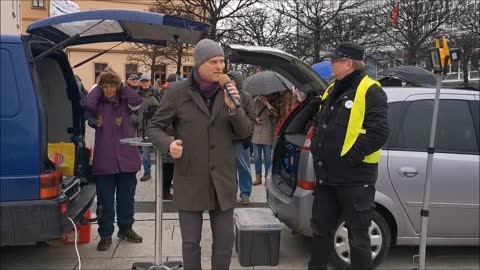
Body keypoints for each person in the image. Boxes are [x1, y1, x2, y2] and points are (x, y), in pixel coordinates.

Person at [147, 38, 251, 270]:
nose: (220, 66)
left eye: (222, 61)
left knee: (224, 242)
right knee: (191, 243)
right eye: (214, 61)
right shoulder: (177, 92)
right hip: (190, 178)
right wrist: (168, 144)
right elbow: (153, 127)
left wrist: (234, 109)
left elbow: (246, 133)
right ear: (199, 64)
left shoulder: (231, 91)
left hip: (222, 181)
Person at [308, 42, 389, 270]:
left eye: (334, 61)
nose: (331, 64)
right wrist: (316, 147)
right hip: (327, 177)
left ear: (348, 63)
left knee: (358, 237)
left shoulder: (370, 90)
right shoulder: (332, 89)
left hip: (355, 179)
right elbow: (320, 123)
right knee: (320, 232)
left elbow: (379, 132)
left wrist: (350, 158)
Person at [81, 69, 144, 251]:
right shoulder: (97, 105)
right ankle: (105, 234)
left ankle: (125, 229)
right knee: (105, 201)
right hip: (105, 161)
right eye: (105, 87)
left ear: (118, 87)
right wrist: (99, 87)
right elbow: (86, 104)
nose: (109, 90)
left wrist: (122, 86)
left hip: (127, 159)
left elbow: (138, 101)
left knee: (126, 199)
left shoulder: (125, 102)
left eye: (112, 86)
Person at [227, 71, 256, 205]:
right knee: (229, 169)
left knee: (244, 167)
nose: (228, 83)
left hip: (241, 139)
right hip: (227, 138)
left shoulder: (246, 97)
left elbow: (251, 117)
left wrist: (248, 135)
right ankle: (231, 193)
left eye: (231, 80)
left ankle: (245, 193)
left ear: (236, 82)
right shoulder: (224, 95)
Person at [134, 73, 159, 182]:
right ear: (140, 82)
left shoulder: (156, 94)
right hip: (140, 128)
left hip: (153, 128)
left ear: (150, 82)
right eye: (143, 81)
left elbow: (162, 110)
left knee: (148, 152)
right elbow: (130, 111)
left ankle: (152, 174)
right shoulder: (135, 95)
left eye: (147, 81)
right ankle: (146, 172)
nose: (145, 83)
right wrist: (137, 119)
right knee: (143, 152)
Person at [251, 94, 279, 186]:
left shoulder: (272, 101)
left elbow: (276, 115)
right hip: (256, 133)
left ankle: (267, 178)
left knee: (267, 158)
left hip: (267, 132)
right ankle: (258, 177)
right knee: (257, 158)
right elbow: (250, 113)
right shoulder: (254, 101)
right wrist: (255, 119)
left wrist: (267, 103)